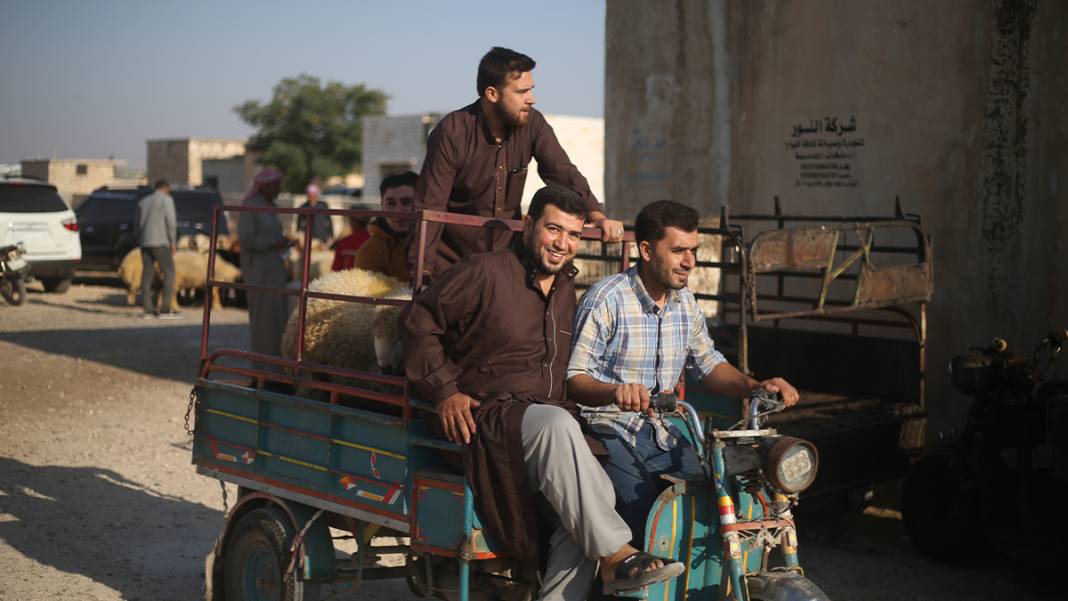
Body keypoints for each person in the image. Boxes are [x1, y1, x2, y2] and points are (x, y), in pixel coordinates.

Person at [403, 185, 683, 601]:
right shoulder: (486, 272)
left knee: (595, 504)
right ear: (529, 224)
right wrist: (445, 390)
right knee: (559, 432)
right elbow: (417, 321)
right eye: (554, 230)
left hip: (546, 429)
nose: (563, 244)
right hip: (488, 421)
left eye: (573, 235)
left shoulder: (568, 289)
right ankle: (616, 556)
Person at [567, 200, 800, 547]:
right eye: (678, 251)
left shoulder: (684, 301)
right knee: (643, 517)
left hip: (664, 432)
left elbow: (709, 364)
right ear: (646, 250)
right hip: (606, 431)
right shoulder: (606, 299)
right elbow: (574, 378)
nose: (690, 261)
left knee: (710, 501)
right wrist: (615, 392)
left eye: (693, 250)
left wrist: (756, 387)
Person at [410, 46, 625, 280]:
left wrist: (597, 216)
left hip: (507, 260)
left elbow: (562, 172)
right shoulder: (452, 131)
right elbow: (431, 206)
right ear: (492, 94)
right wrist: (422, 270)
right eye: (522, 92)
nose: (531, 99)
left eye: (531, 90)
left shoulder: (533, 123)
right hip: (453, 264)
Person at [237, 168, 294, 375]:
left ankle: (278, 369)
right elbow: (247, 239)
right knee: (263, 321)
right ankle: (263, 370)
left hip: (275, 271)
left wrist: (283, 243)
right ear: (265, 185)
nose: (279, 189)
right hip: (259, 273)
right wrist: (274, 242)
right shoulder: (250, 207)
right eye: (276, 185)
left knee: (279, 320)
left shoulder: (270, 208)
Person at [353, 170, 417, 281]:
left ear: (422, 202)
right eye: (391, 203)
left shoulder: (441, 243)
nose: (398, 211)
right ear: (382, 205)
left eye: (406, 202)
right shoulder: (371, 250)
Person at [134, 179, 179, 319]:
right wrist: (173, 242)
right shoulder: (167, 200)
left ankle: (147, 309)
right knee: (169, 272)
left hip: (145, 243)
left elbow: (137, 225)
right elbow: (171, 222)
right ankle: (165, 309)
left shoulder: (143, 202)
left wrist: (140, 240)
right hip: (160, 242)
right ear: (166, 188)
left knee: (147, 275)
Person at [297, 179, 333, 245]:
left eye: (314, 195)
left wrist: (331, 235)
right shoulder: (303, 207)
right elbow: (299, 224)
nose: (312, 197)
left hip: (322, 237)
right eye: (310, 195)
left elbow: (329, 221)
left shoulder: (323, 205)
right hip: (309, 237)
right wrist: (299, 235)